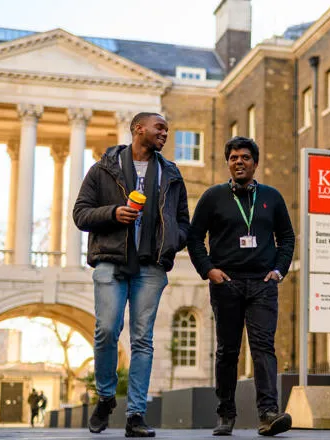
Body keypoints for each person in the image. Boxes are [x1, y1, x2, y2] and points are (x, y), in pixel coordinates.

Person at [74, 112, 190, 438]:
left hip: (151, 266)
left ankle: (136, 414)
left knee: (143, 340)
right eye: (160, 128)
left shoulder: (170, 173)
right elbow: (80, 214)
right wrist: (113, 213)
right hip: (111, 261)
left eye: (167, 128)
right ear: (138, 129)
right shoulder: (103, 169)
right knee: (107, 329)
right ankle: (106, 395)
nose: (165, 133)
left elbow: (183, 220)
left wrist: (172, 241)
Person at [187, 137, 295, 437]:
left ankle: (268, 414)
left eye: (245, 157)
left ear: (255, 163)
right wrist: (209, 270)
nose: (239, 161)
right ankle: (225, 414)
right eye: (233, 157)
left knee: (263, 348)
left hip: (262, 283)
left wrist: (278, 271)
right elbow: (194, 238)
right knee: (227, 351)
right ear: (228, 162)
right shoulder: (213, 197)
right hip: (227, 283)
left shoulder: (271, 197)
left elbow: (286, 237)